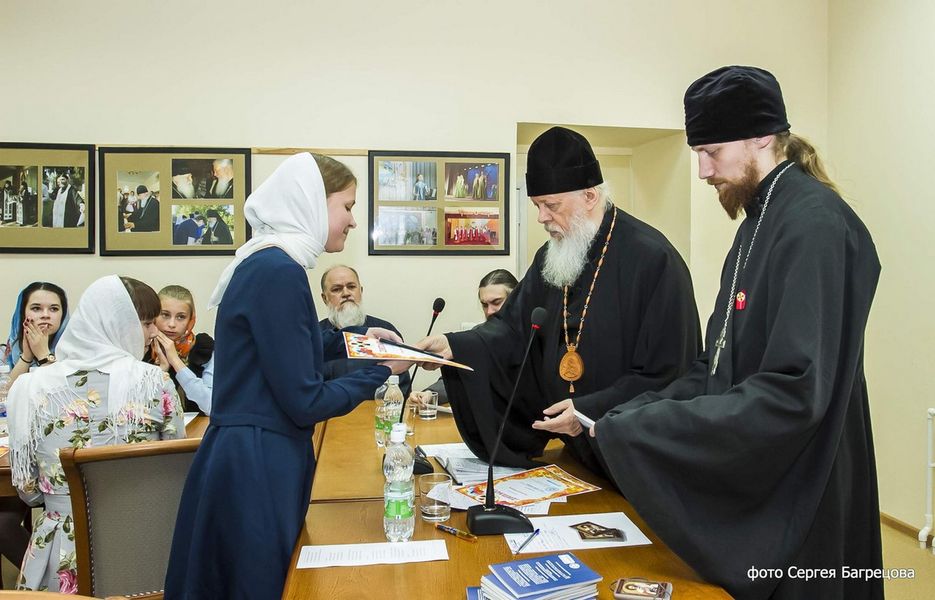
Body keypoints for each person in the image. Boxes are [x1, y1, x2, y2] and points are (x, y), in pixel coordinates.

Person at [589, 66, 883, 599]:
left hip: (807, 482)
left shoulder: (813, 223)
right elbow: (716, 367)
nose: (703, 171)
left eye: (712, 152)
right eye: (697, 153)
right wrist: (628, 415)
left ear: (762, 137)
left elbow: (794, 391)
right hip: (768, 468)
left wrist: (652, 428)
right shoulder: (755, 223)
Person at [165, 152, 412, 599]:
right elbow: (305, 401)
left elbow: (280, 352)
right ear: (314, 201)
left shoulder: (268, 263)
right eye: (347, 206)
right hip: (259, 464)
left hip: (249, 452)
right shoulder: (281, 272)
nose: (352, 221)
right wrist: (378, 371)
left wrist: (354, 341)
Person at [417, 127, 701, 474]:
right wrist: (454, 346)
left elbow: (670, 373)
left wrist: (588, 410)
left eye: (551, 205)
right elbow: (512, 329)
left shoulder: (654, 260)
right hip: (573, 452)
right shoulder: (552, 256)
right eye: (537, 206)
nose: (541, 217)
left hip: (629, 455)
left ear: (590, 196)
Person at [6, 275, 185, 593]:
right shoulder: (155, 383)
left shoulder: (30, 388)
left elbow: (29, 491)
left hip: (62, 547)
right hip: (143, 546)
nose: (153, 333)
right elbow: (175, 475)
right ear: (117, 323)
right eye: (146, 323)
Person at [410, 268, 518, 408]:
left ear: (516, 299)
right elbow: (460, 376)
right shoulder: (477, 335)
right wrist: (430, 394)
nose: (489, 311)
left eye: (496, 302)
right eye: (484, 305)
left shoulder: (536, 335)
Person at [317, 264, 412, 396]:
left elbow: (400, 387)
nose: (346, 293)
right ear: (325, 298)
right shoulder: (315, 336)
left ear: (360, 291)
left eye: (351, 287)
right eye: (337, 289)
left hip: (378, 408)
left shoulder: (385, 331)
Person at [149, 285, 215, 414]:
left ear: (191, 320)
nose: (172, 324)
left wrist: (175, 361)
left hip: (198, 426)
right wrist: (161, 370)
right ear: (154, 316)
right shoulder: (142, 347)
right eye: (165, 315)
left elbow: (211, 406)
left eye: (181, 317)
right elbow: (132, 407)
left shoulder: (204, 349)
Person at [6, 282, 69, 385]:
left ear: (63, 315)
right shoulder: (4, 354)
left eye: (54, 309)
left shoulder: (75, 352)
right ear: (23, 313)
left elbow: (63, 393)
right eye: (36, 308)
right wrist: (26, 357)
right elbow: (5, 393)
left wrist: (44, 355)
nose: (45, 315)